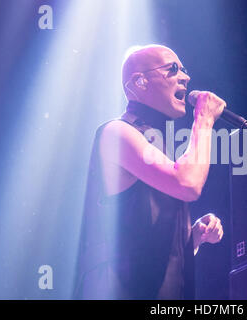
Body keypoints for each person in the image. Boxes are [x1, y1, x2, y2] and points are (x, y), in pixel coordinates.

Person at [74, 44, 225, 299]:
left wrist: (191, 239)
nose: (185, 77)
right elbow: (188, 184)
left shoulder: (157, 146)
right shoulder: (116, 132)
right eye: (173, 69)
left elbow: (142, 243)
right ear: (140, 82)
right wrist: (204, 119)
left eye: (184, 70)